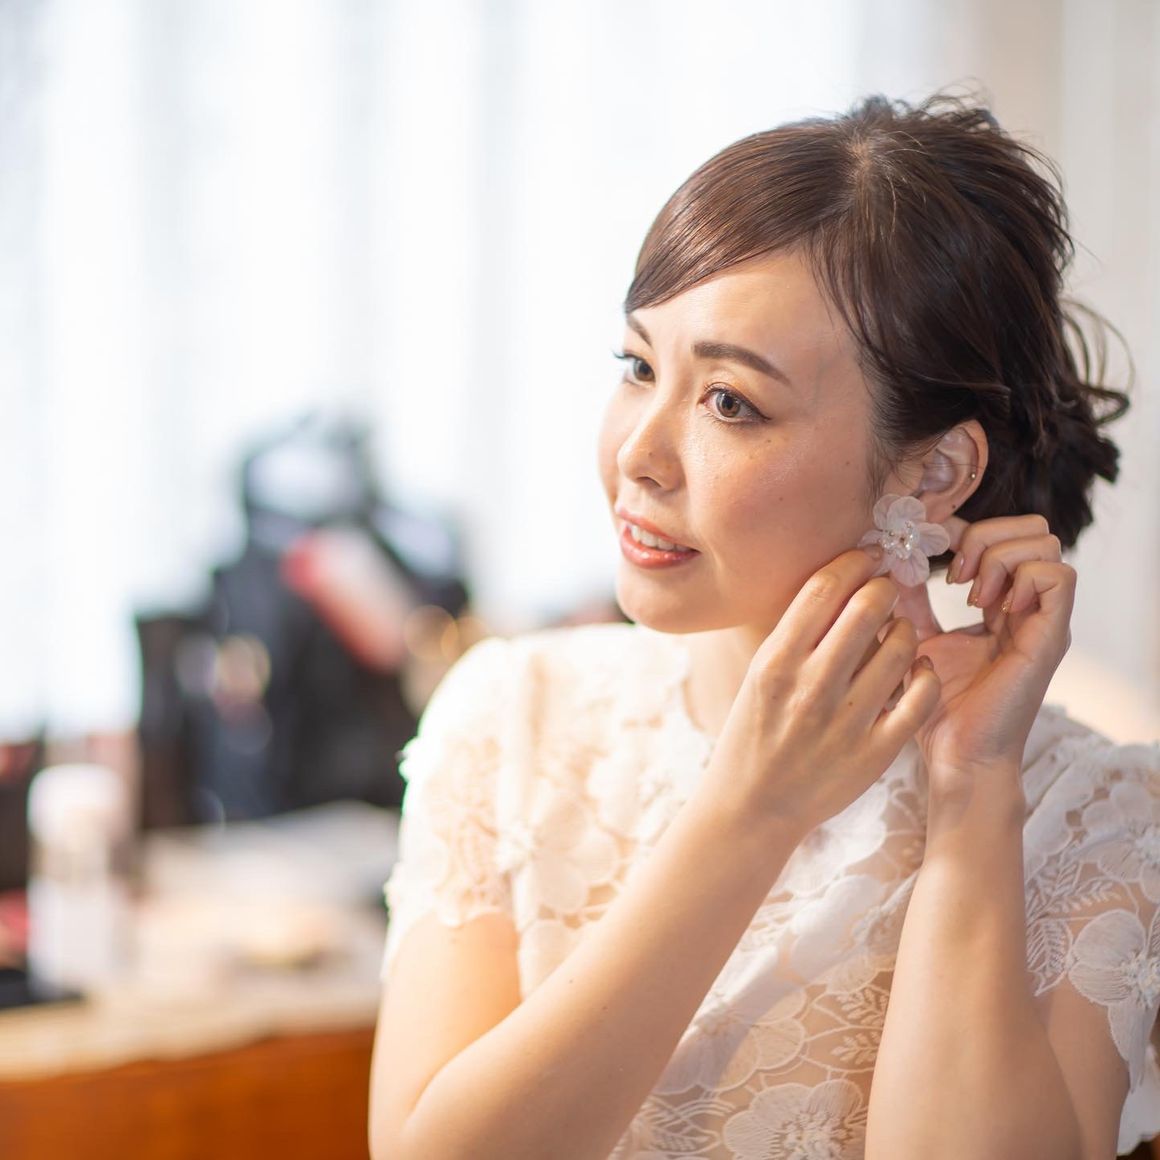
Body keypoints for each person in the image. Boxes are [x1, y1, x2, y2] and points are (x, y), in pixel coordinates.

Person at [367, 91, 1160, 1159]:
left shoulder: (1097, 816)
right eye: (639, 367)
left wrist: (974, 793)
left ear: (932, 472)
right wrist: (750, 810)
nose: (639, 455)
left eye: (730, 402)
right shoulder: (513, 717)